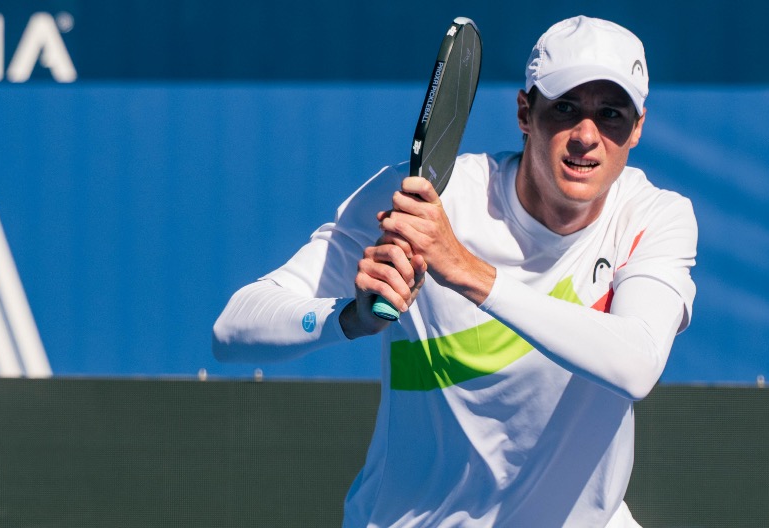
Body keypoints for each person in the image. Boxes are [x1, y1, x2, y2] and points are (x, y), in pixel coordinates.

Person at [212, 15, 696, 528]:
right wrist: (350, 317)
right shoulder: (426, 198)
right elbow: (232, 328)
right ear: (525, 112)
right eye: (566, 108)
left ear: (638, 127)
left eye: (612, 115)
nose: (586, 136)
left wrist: (466, 270)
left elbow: (637, 362)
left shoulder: (654, 216)